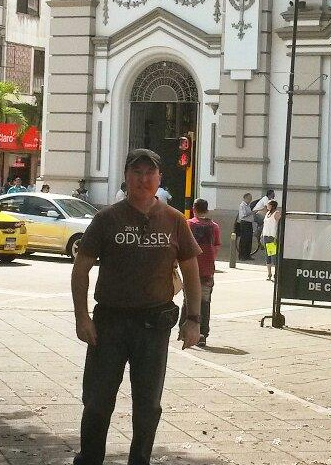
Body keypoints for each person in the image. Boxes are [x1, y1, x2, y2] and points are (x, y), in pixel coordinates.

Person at [71, 148, 202, 465]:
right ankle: (89, 459)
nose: (143, 179)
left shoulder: (174, 221)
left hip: (154, 325)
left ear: (159, 179)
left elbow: (192, 273)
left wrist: (193, 320)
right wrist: (82, 318)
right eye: (136, 172)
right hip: (109, 324)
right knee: (98, 401)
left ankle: (139, 460)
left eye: (150, 173)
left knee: (148, 404)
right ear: (126, 177)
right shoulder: (106, 219)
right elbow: (80, 270)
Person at [181, 198, 220, 348]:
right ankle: (203, 333)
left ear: (193, 209)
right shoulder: (214, 226)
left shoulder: (189, 224)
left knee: (188, 299)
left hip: (191, 270)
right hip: (207, 270)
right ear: (207, 209)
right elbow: (216, 247)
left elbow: (182, 245)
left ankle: (184, 329)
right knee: (205, 302)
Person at [262, 199, 280, 281]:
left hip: (272, 236)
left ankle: (277, 273)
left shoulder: (276, 213)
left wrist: (277, 236)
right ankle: (269, 273)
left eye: (268, 204)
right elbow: (265, 225)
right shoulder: (267, 214)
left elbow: (279, 224)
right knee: (267, 255)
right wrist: (262, 234)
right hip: (266, 235)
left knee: (273, 255)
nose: (267, 206)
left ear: (272, 206)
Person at [236, 193, 255, 260]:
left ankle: (247, 255)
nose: (250, 200)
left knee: (249, 240)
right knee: (244, 240)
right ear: (245, 198)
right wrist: (251, 212)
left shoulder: (248, 205)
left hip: (249, 223)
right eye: (249, 198)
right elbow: (243, 215)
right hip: (244, 223)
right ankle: (242, 256)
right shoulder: (242, 205)